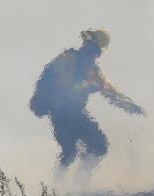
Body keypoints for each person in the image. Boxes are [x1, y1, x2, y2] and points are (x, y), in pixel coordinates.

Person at [30, 29, 145, 170]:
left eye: (95, 49)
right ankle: (60, 188)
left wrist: (132, 107)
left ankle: (78, 185)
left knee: (97, 147)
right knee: (72, 151)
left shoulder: (92, 70)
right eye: (93, 47)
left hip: (74, 113)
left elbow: (111, 93)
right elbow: (59, 82)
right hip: (60, 112)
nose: (94, 51)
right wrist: (84, 86)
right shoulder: (69, 58)